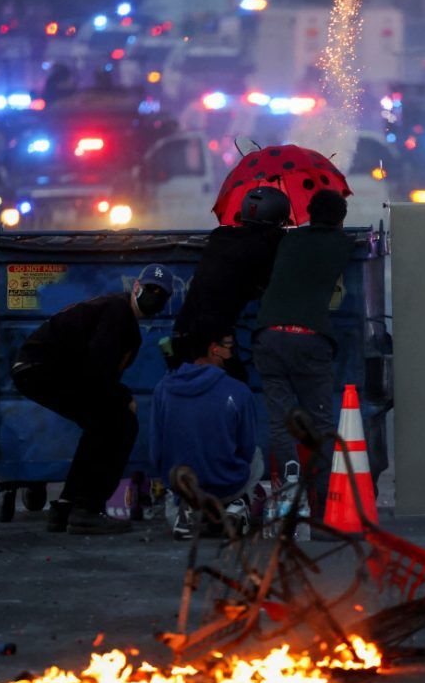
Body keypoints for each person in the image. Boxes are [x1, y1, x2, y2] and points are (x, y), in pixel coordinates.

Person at [11, 264, 173, 535]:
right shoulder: (118, 312)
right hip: (43, 368)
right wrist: (124, 398)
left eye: (160, 293)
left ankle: (67, 506)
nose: (154, 295)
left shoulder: (121, 317)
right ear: (135, 287)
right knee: (120, 424)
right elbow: (98, 368)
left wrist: (117, 397)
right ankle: (86, 509)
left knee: (102, 425)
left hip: (37, 369)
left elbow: (98, 374)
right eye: (149, 289)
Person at [253, 189, 351, 515]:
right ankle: (321, 507)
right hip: (310, 337)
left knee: (281, 423)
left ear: (308, 212)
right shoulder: (343, 244)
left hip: (270, 335)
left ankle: (289, 481)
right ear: (341, 219)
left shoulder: (289, 241)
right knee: (320, 423)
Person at [167, 186, 290, 380]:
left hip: (184, 332)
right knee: (236, 387)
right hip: (210, 339)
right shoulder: (263, 249)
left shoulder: (219, 237)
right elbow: (266, 286)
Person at [150, 330, 261, 539]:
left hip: (183, 489)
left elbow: (156, 452)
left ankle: (188, 512)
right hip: (227, 486)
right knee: (257, 456)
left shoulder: (163, 389)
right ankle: (236, 508)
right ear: (214, 349)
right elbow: (246, 450)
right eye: (229, 347)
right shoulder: (239, 391)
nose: (232, 355)